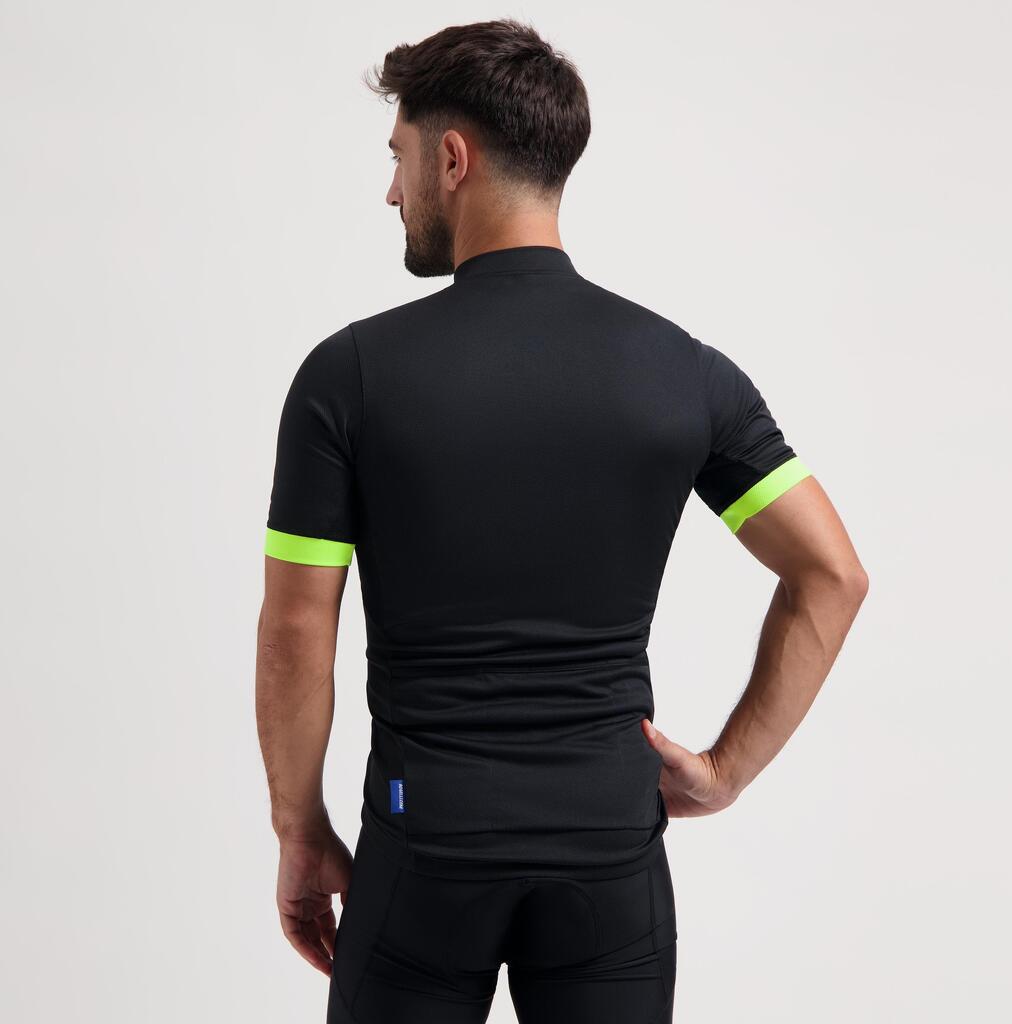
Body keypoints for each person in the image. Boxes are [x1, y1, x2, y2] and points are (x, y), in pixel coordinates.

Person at [254, 18, 868, 1024]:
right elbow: (832, 575)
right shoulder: (684, 373)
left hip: (424, 840)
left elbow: (294, 627)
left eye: (399, 158)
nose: (392, 192)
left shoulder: (348, 377)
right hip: (608, 847)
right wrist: (724, 773)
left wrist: (298, 828)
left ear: (453, 159)